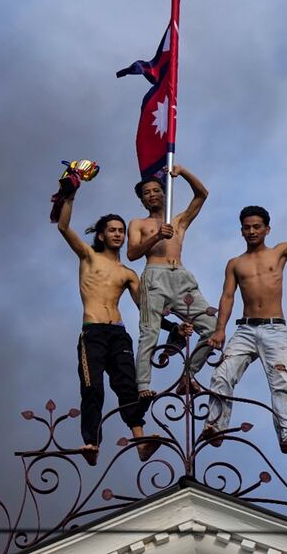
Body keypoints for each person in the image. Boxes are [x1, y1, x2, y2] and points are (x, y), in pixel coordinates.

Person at [201, 191, 287, 453]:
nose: (251, 231)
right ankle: (215, 426)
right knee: (222, 374)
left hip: (274, 328)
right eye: (246, 228)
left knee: (281, 381)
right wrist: (220, 330)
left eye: (257, 227)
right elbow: (227, 296)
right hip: (245, 329)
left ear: (267, 229)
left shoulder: (279, 253)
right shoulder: (236, 263)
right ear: (241, 232)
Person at [56, 188, 161, 465]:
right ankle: (91, 443)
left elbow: (146, 310)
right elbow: (63, 227)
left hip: (118, 333)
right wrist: (71, 194)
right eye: (112, 230)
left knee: (128, 386)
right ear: (102, 234)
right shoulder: (89, 257)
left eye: (121, 231)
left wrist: (175, 327)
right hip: (93, 333)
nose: (118, 234)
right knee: (93, 389)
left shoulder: (128, 273)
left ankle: (140, 442)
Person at [128, 165, 217, 400]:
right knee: (149, 331)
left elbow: (202, 194)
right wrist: (157, 235)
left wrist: (183, 171)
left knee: (213, 329)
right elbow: (132, 253)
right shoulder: (138, 224)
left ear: (164, 194)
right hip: (155, 275)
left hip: (180, 276)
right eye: (146, 193)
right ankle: (143, 385)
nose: (152, 195)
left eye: (156, 190)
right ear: (142, 201)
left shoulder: (178, 222)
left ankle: (188, 375)